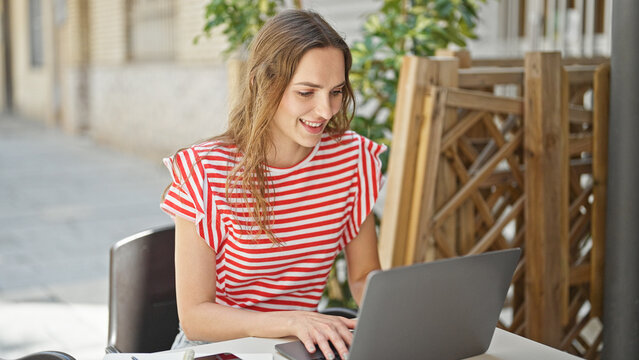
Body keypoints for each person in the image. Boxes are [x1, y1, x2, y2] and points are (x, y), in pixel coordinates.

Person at [161, 9, 386, 360]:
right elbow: (194, 317)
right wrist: (291, 320)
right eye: (306, 92)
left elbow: (363, 276)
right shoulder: (204, 171)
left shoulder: (351, 160)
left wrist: (395, 319)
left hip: (297, 349)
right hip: (217, 352)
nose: (326, 110)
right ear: (263, 84)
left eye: (336, 91)